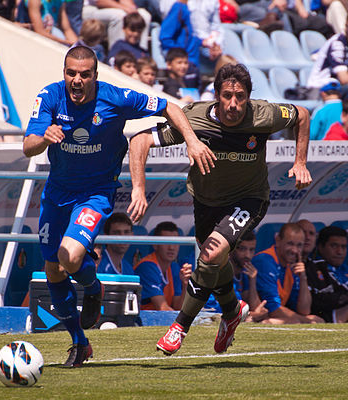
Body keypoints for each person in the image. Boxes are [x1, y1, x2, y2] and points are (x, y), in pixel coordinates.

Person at [22, 45, 214, 367]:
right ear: (64, 73)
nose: (77, 81)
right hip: (56, 194)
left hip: (96, 194)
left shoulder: (116, 98)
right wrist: (45, 137)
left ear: (95, 76)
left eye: (85, 75)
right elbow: (29, 146)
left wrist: (192, 141)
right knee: (53, 269)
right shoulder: (50, 97)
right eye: (71, 73)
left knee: (69, 256)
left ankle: (92, 286)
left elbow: (170, 107)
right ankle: (80, 343)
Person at [128, 62, 313, 355]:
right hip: (206, 201)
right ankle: (231, 312)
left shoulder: (262, 115)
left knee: (211, 253)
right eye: (227, 96)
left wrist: (300, 161)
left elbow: (301, 114)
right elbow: (139, 140)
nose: (233, 104)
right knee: (216, 263)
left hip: (249, 199)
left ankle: (180, 326)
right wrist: (138, 187)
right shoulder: (195, 120)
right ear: (216, 95)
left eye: (240, 97)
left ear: (249, 98)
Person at [254, 223, 325, 324]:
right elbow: (273, 309)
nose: (294, 250)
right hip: (256, 317)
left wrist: (303, 279)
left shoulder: (291, 265)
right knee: (295, 321)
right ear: (278, 240)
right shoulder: (265, 260)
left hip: (273, 316)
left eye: (299, 245)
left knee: (309, 318)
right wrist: (306, 321)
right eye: (290, 244)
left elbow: (304, 310)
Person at [133, 221, 191, 310]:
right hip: (143, 321)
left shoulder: (174, 267)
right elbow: (162, 308)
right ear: (155, 245)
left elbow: (178, 306)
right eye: (166, 242)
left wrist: (185, 285)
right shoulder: (147, 266)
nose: (171, 247)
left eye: (175, 242)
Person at [81, 0, 152, 51]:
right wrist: (126, 9)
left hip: (114, 8)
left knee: (144, 15)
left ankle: (142, 54)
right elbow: (100, 1)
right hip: (90, 9)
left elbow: (127, 2)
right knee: (119, 16)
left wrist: (132, 10)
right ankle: (117, 54)